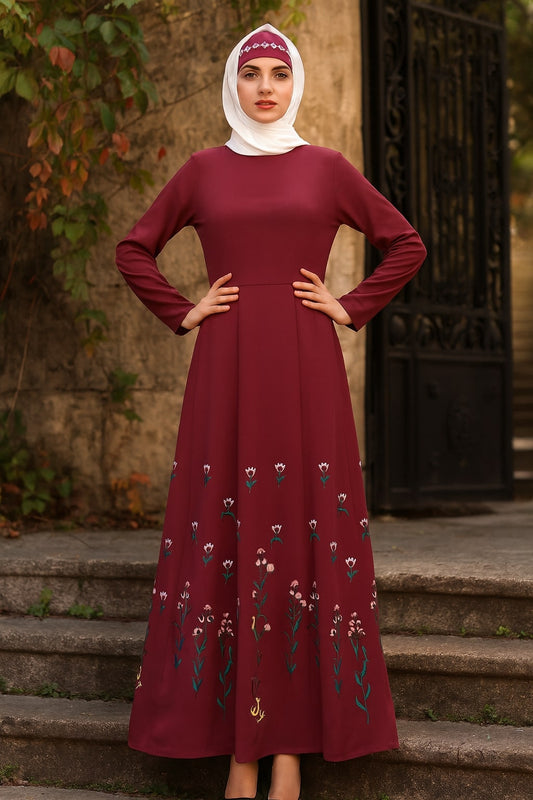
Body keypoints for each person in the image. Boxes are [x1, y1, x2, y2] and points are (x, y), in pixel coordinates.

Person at [116, 22, 426, 800]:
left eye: (277, 74)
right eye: (251, 72)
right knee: (227, 532)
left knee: (298, 532)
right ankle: (240, 750)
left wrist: (349, 305)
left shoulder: (324, 169)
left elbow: (405, 243)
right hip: (224, 369)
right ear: (234, 83)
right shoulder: (202, 170)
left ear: (294, 86)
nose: (264, 87)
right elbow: (133, 247)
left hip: (304, 370)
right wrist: (182, 311)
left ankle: (286, 747)